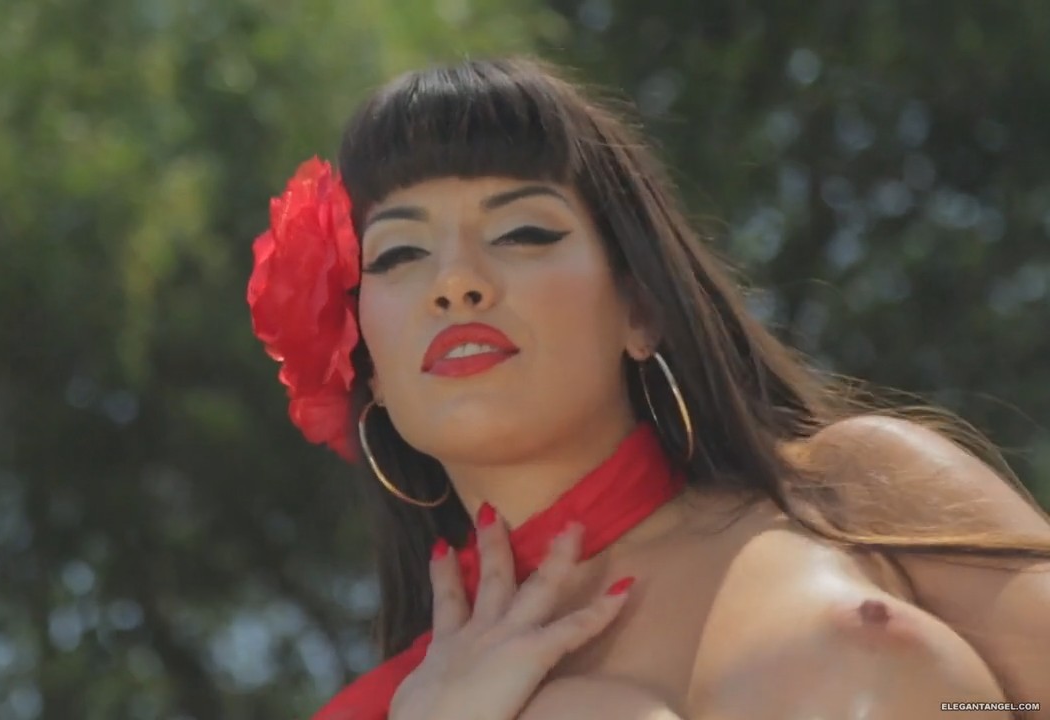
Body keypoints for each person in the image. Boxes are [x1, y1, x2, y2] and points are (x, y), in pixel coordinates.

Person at [246, 57, 1050, 719]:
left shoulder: (852, 494)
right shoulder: (389, 711)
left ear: (641, 308)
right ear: (368, 368)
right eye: (398, 255)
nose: (456, 282)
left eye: (522, 232)